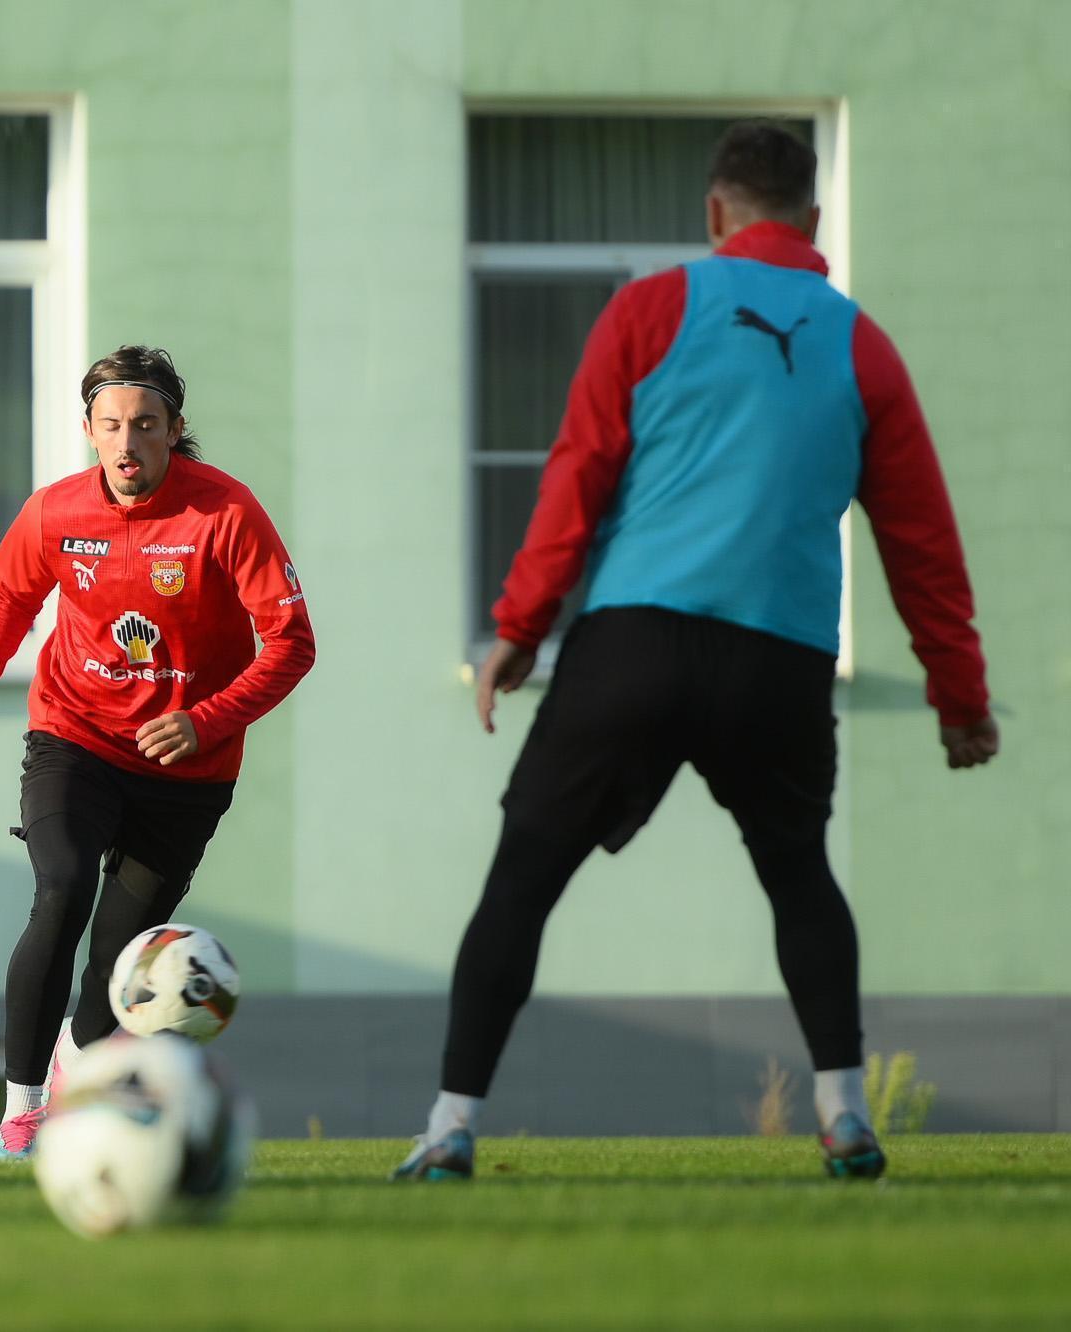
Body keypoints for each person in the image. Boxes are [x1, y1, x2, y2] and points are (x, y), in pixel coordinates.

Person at [394, 121, 997, 1183]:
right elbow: (922, 545)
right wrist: (960, 698)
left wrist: (521, 627)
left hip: (635, 644)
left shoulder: (650, 308)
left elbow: (577, 477)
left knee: (523, 878)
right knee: (799, 876)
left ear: (714, 213)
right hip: (779, 661)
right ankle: (844, 1114)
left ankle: (448, 1127)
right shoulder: (861, 345)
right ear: (812, 220)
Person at [0, 345, 316, 1160]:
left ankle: (77, 1065)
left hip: (187, 767)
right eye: (110, 425)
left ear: (175, 430)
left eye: (145, 425)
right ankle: (22, 1112)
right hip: (75, 736)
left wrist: (206, 720)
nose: (127, 442)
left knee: (121, 957)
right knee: (62, 889)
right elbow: (7, 607)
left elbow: (292, 643)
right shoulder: (55, 512)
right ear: (89, 430)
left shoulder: (226, 512)